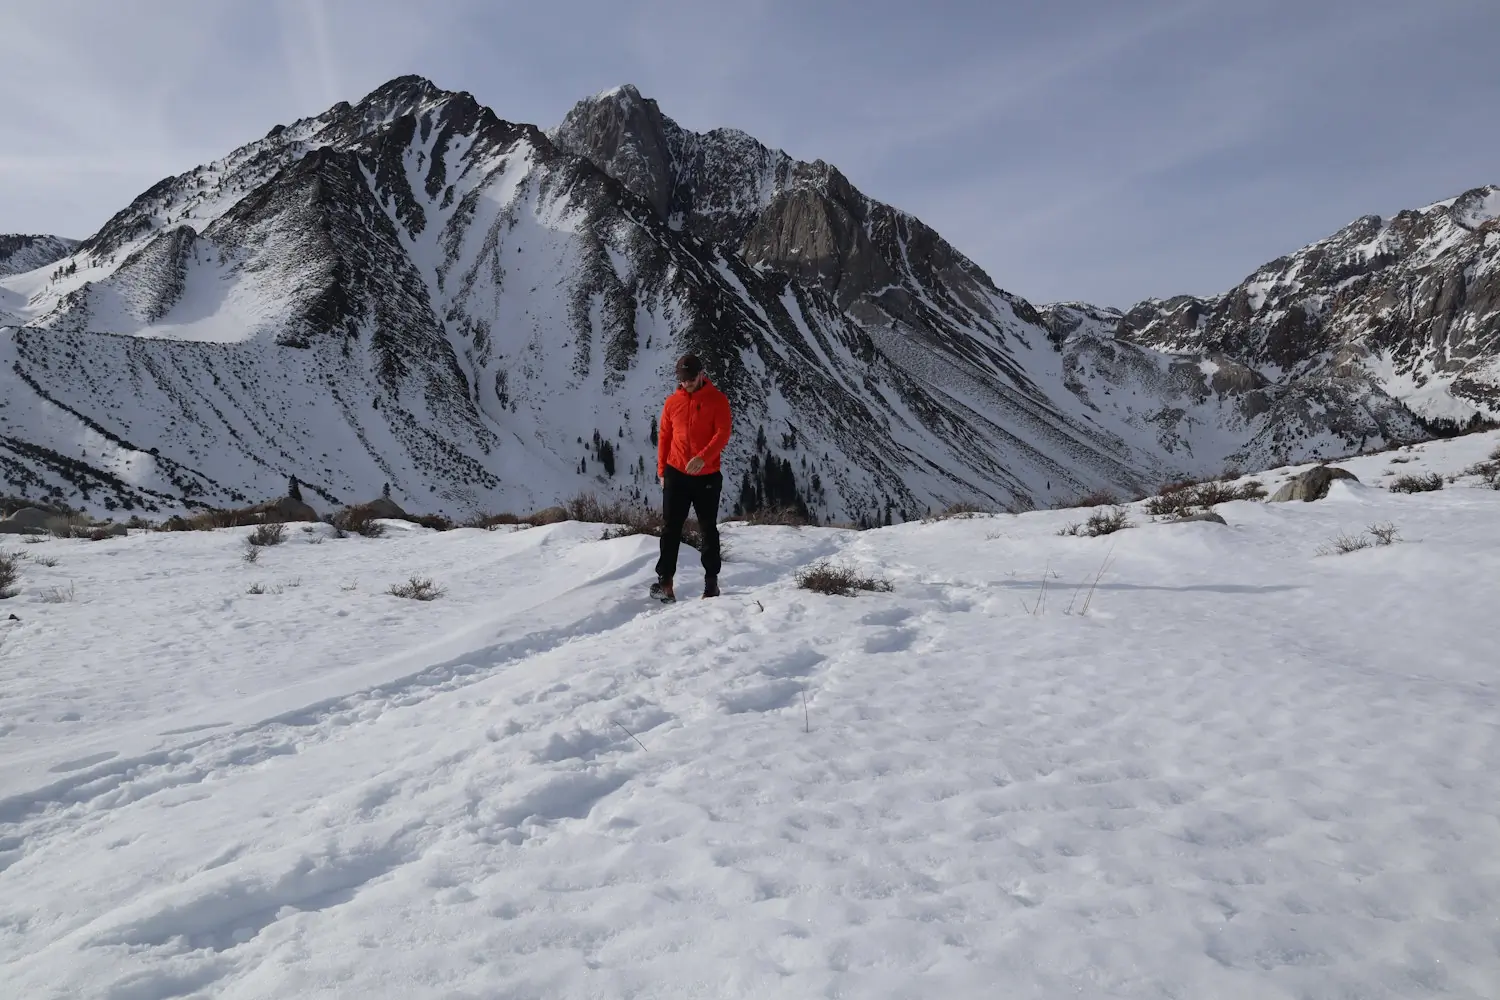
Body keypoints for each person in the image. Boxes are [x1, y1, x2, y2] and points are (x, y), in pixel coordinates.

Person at [651, 353, 732, 602]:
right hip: (676, 471)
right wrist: (662, 471)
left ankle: (711, 583)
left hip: (706, 475)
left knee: (707, 528)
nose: (686, 383)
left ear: (701, 375)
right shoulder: (672, 402)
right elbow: (664, 436)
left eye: (691, 378)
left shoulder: (717, 400)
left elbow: (723, 433)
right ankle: (665, 582)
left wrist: (703, 458)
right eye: (683, 379)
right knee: (670, 528)